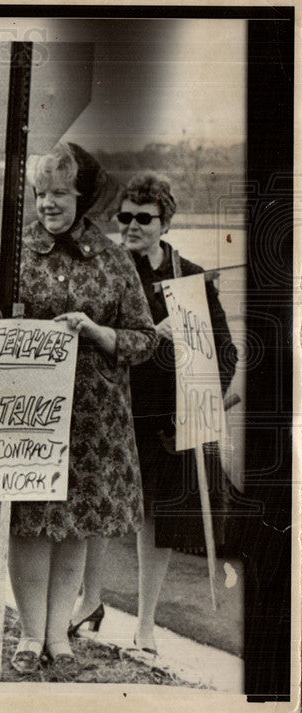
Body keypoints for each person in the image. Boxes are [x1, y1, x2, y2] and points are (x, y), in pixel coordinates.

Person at [0, 143, 157, 679]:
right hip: (26, 416)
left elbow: (145, 339)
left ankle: (58, 637)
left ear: (84, 196)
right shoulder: (10, 252)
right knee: (28, 522)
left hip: (94, 422)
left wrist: (98, 333)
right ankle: (29, 633)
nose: (47, 203)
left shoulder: (115, 259)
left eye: (60, 193)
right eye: (41, 193)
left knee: (74, 525)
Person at [70, 172, 237, 656]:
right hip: (112, 412)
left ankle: (145, 624)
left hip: (165, 418)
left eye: (144, 218)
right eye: (125, 217)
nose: (132, 226)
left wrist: (203, 400)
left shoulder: (189, 276)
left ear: (165, 221)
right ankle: (89, 599)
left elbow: (223, 351)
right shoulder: (105, 269)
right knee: (100, 512)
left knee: (154, 520)